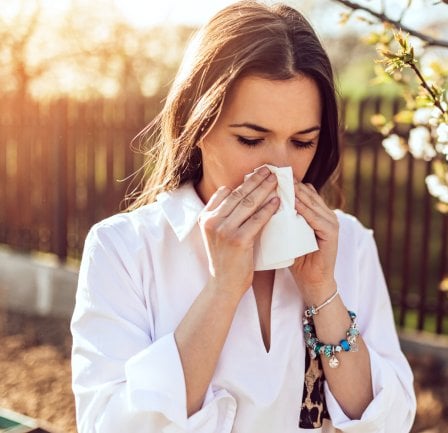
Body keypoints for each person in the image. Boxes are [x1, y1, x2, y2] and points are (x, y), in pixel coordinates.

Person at [69, 2, 417, 432]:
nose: (279, 169)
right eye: (252, 139)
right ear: (196, 126)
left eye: (302, 142)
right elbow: (109, 426)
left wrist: (323, 291)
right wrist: (222, 291)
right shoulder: (125, 248)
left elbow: (390, 422)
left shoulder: (350, 243)